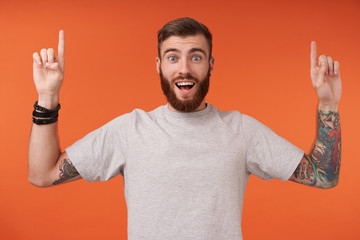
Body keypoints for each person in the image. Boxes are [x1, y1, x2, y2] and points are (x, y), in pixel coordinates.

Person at [28, 17, 341, 239]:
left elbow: (324, 176)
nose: (184, 68)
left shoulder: (241, 131)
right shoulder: (130, 129)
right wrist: (47, 97)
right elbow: (43, 174)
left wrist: (328, 105)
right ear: (159, 66)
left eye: (196, 57)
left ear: (210, 65)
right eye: (172, 57)